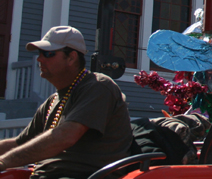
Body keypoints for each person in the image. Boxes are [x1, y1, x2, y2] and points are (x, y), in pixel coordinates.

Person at [0, 26, 132, 179]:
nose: (39, 58)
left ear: (71, 57)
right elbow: (20, 143)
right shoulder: (52, 101)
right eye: (39, 53)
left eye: (48, 53)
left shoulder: (98, 86)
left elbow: (66, 136)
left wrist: (3, 162)